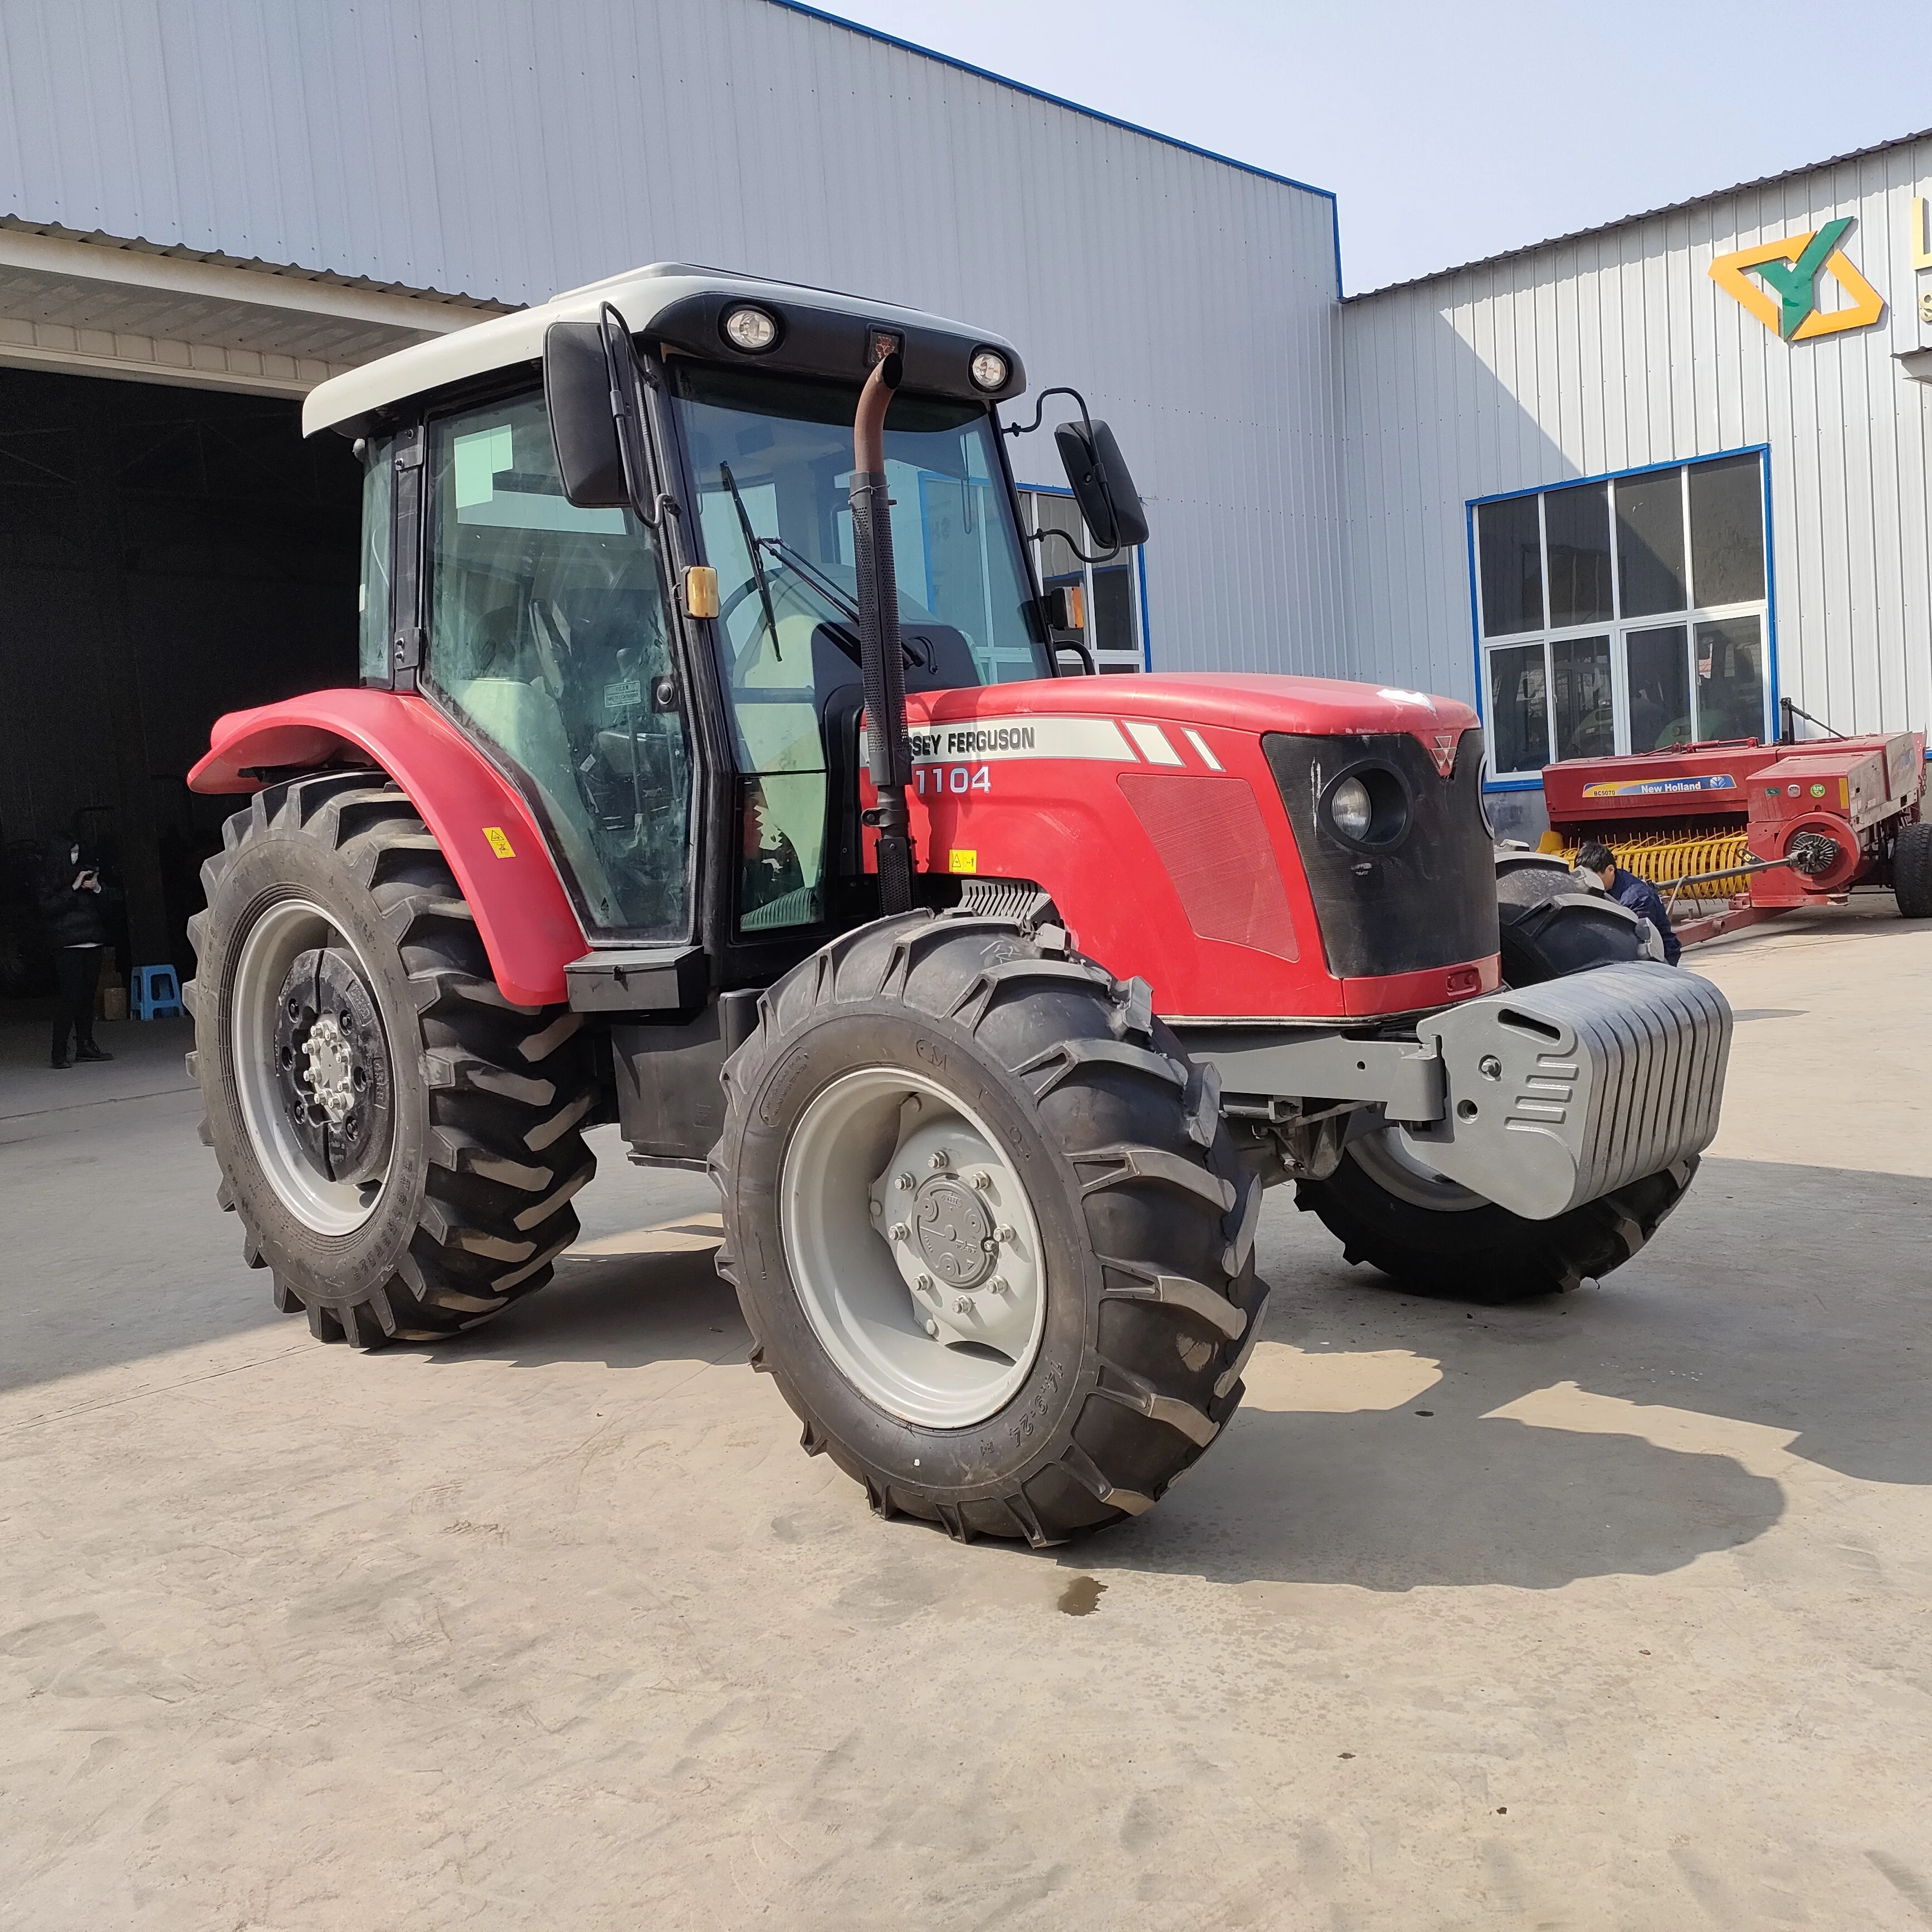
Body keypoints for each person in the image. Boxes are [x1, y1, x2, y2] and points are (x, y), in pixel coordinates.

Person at [37, 831, 115, 1068]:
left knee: (87, 998)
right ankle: (58, 1052)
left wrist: (98, 888)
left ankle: (86, 1045)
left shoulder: (86, 872)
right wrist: (73, 887)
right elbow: (47, 908)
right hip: (67, 945)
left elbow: (114, 902)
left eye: (77, 851)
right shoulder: (47, 878)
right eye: (71, 852)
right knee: (69, 997)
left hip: (93, 941)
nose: (75, 855)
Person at [1574, 838, 1681, 966]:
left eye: (1594, 878)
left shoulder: (1638, 899)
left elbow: (1634, 945)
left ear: (1610, 870)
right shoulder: (1604, 885)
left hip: (1654, 960)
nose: (1588, 884)